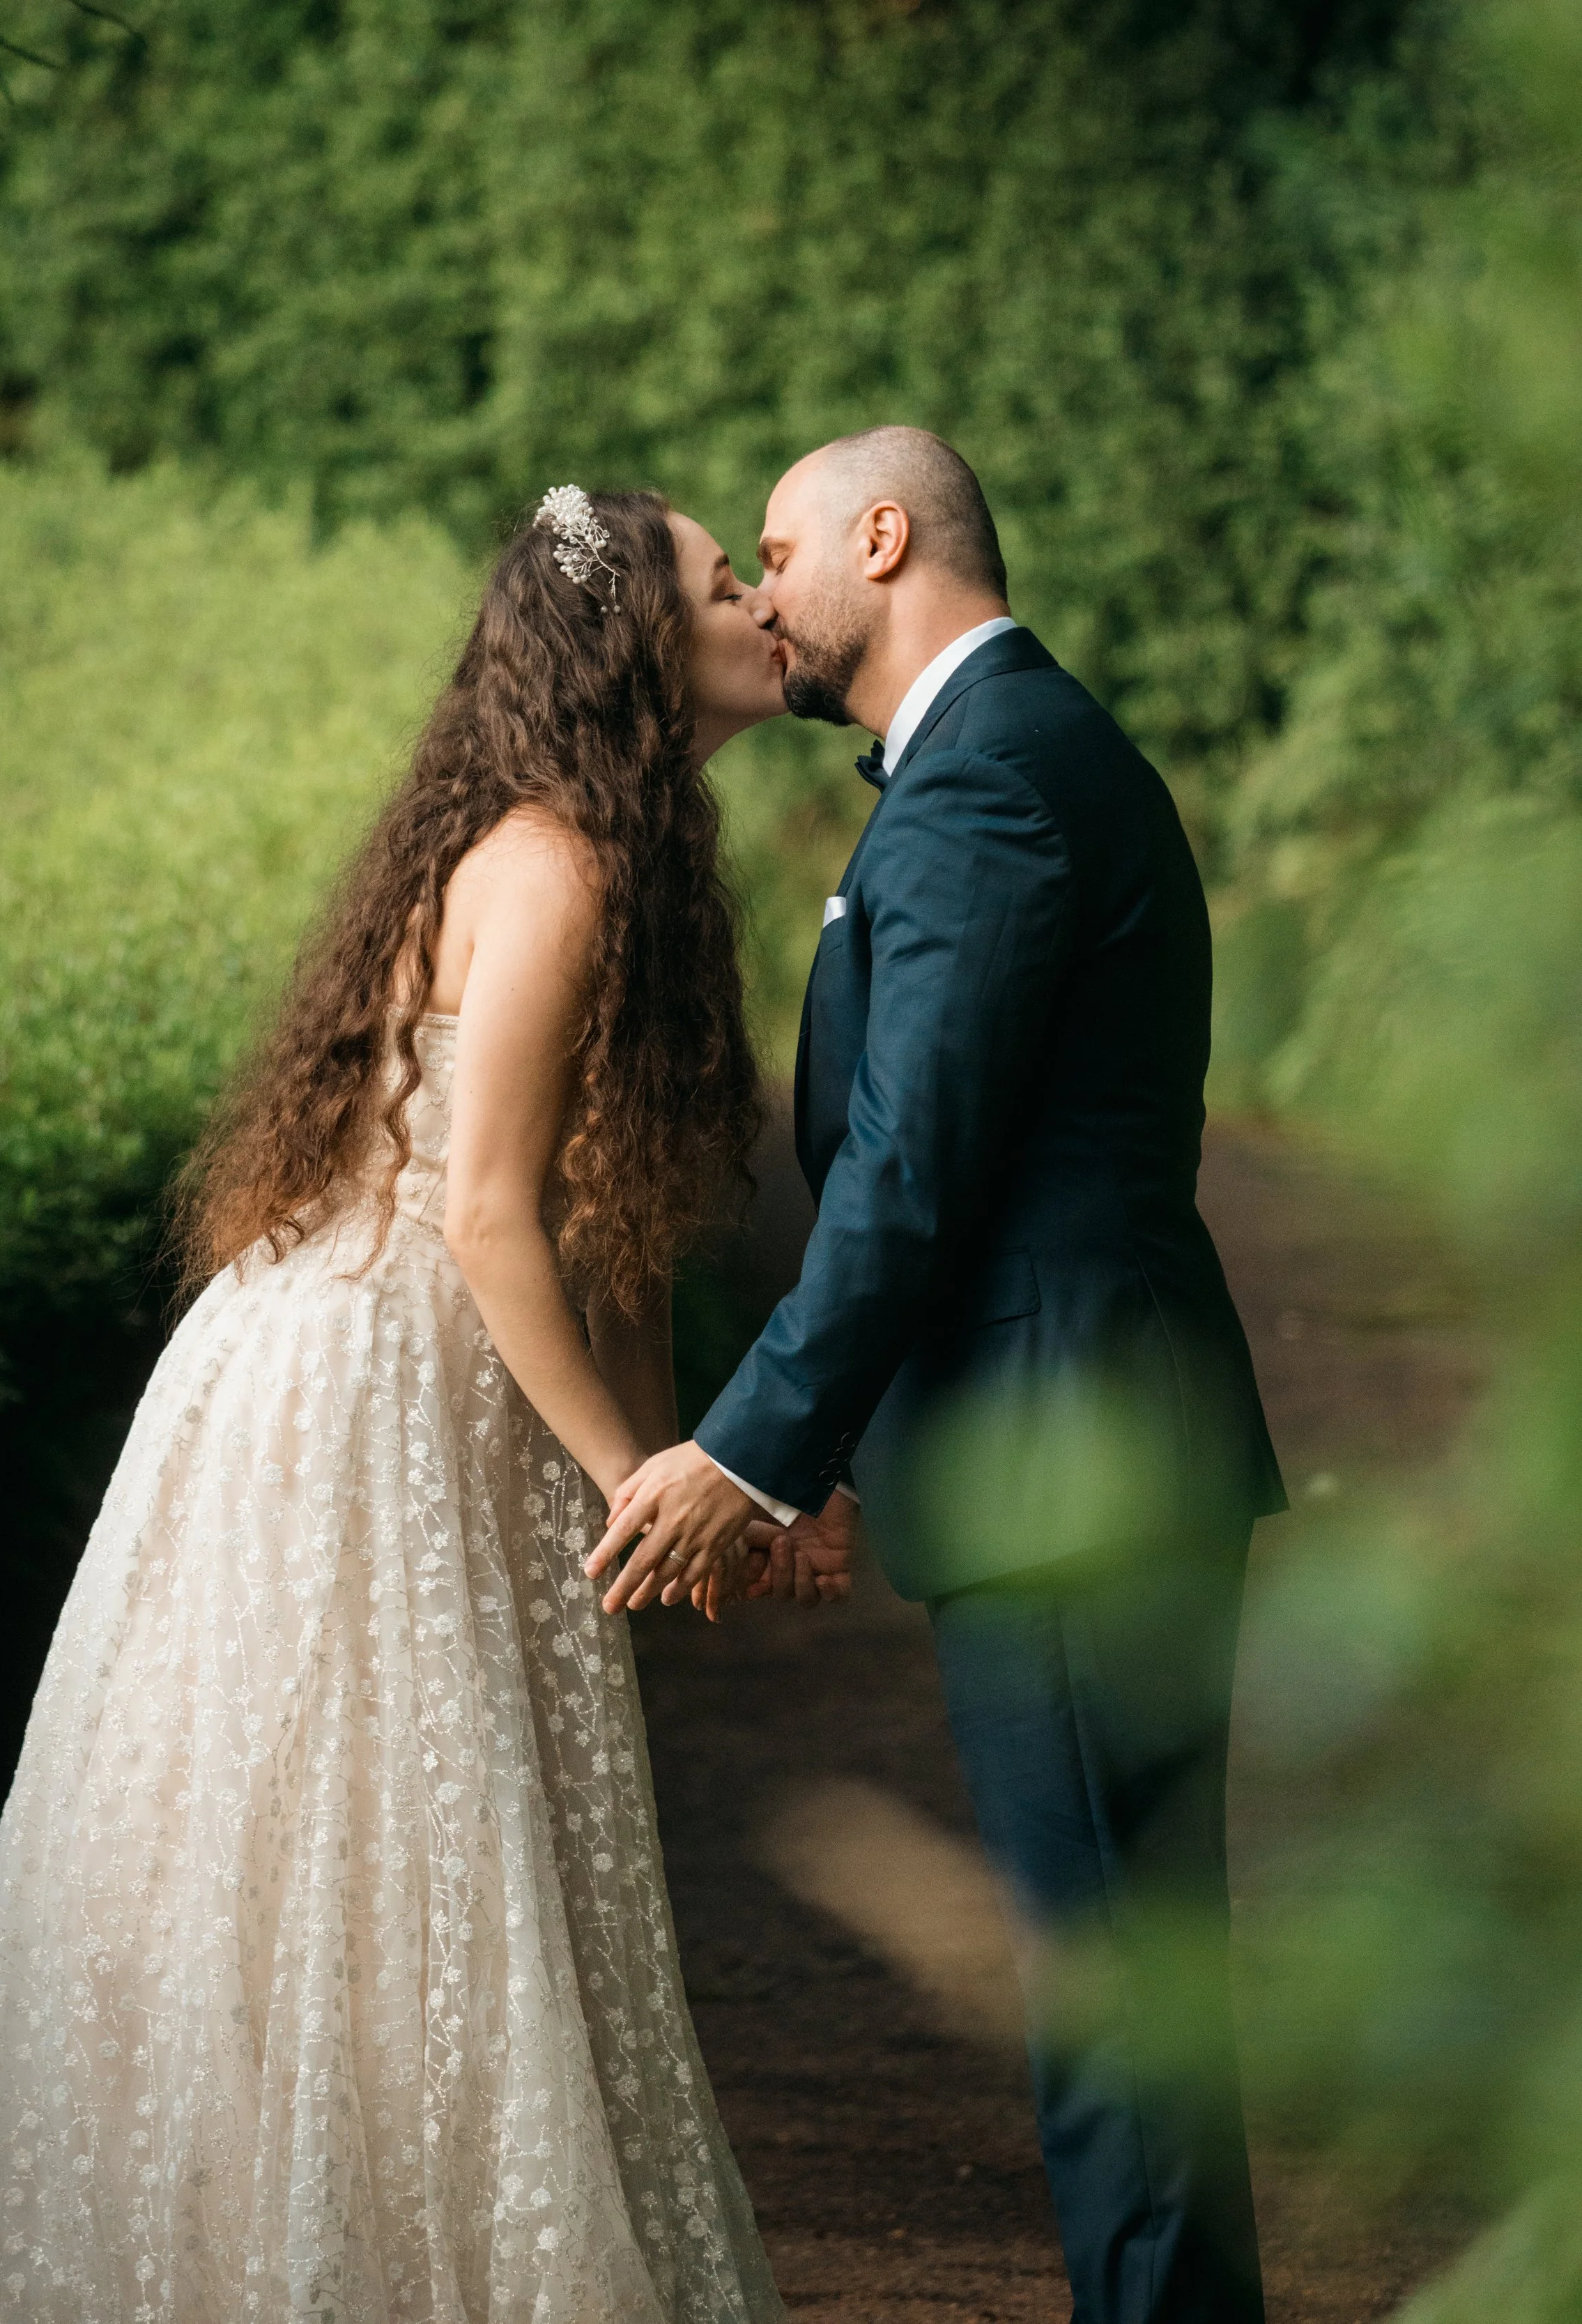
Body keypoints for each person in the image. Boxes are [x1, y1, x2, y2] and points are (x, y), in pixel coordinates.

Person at [0, 489, 790, 2324]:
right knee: (337, 1851)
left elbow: (620, 1224)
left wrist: (694, 1464)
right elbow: (492, 1210)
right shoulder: (553, 865)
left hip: (411, 1378)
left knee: (407, 1856)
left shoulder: (620, 864)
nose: (755, 601)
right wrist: (637, 1482)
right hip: (355, 1394)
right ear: (635, 649)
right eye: (715, 578)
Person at [591, 428, 1288, 2324]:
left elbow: (912, 1173)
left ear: (881, 540)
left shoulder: (991, 783)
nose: (762, 589)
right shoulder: (1004, 762)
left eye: (778, 550)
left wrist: (744, 1452)